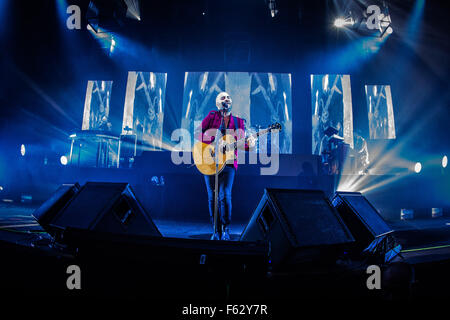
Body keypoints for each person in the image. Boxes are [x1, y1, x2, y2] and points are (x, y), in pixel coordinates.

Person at [198, 92, 256, 240]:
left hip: (229, 162)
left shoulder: (238, 122)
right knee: (213, 197)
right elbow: (199, 133)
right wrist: (213, 142)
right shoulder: (212, 116)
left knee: (224, 195)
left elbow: (242, 144)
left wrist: (250, 145)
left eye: (229, 98)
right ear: (218, 102)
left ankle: (225, 229)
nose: (227, 99)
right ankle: (215, 230)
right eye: (223, 98)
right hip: (210, 161)